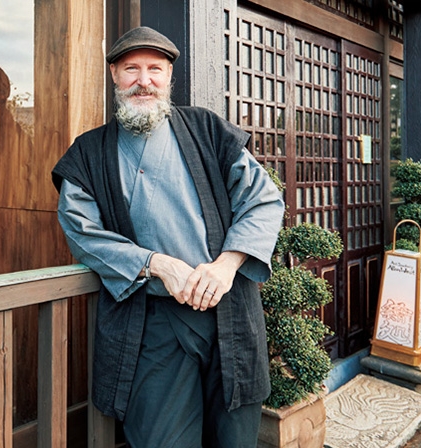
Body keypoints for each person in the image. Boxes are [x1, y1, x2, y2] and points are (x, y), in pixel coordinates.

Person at [52, 26, 284, 448]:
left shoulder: (206, 129)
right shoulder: (88, 152)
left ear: (169, 76)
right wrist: (155, 264)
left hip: (229, 310)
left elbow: (263, 199)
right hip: (151, 321)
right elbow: (82, 231)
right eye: (131, 69)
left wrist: (226, 265)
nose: (143, 81)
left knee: (235, 438)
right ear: (114, 75)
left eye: (154, 69)